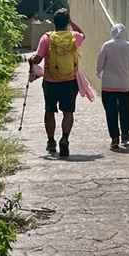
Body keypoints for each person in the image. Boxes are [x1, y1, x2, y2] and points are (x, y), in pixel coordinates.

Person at [28, 9, 84, 157]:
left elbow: (38, 60)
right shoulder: (74, 37)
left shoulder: (46, 38)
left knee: (49, 111)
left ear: (53, 22)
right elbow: (83, 34)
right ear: (67, 22)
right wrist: (72, 23)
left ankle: (51, 141)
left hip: (51, 81)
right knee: (68, 112)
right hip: (70, 81)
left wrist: (31, 60)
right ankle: (64, 138)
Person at [95, 22, 129, 149]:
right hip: (124, 85)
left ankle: (114, 137)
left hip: (108, 85)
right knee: (125, 110)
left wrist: (99, 73)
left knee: (111, 112)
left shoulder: (107, 45)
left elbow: (100, 63)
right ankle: (125, 134)